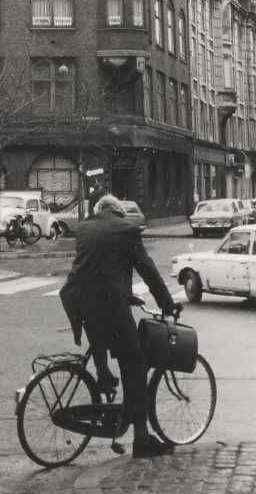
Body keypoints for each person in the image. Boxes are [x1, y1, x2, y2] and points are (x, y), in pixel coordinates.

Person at [60, 193, 179, 459]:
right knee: (134, 364)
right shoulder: (127, 229)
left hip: (82, 302)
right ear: (119, 212)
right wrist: (168, 305)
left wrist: (128, 295)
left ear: (100, 210)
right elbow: (148, 270)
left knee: (101, 343)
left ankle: (103, 377)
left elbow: (99, 268)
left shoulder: (85, 227)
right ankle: (142, 438)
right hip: (110, 304)